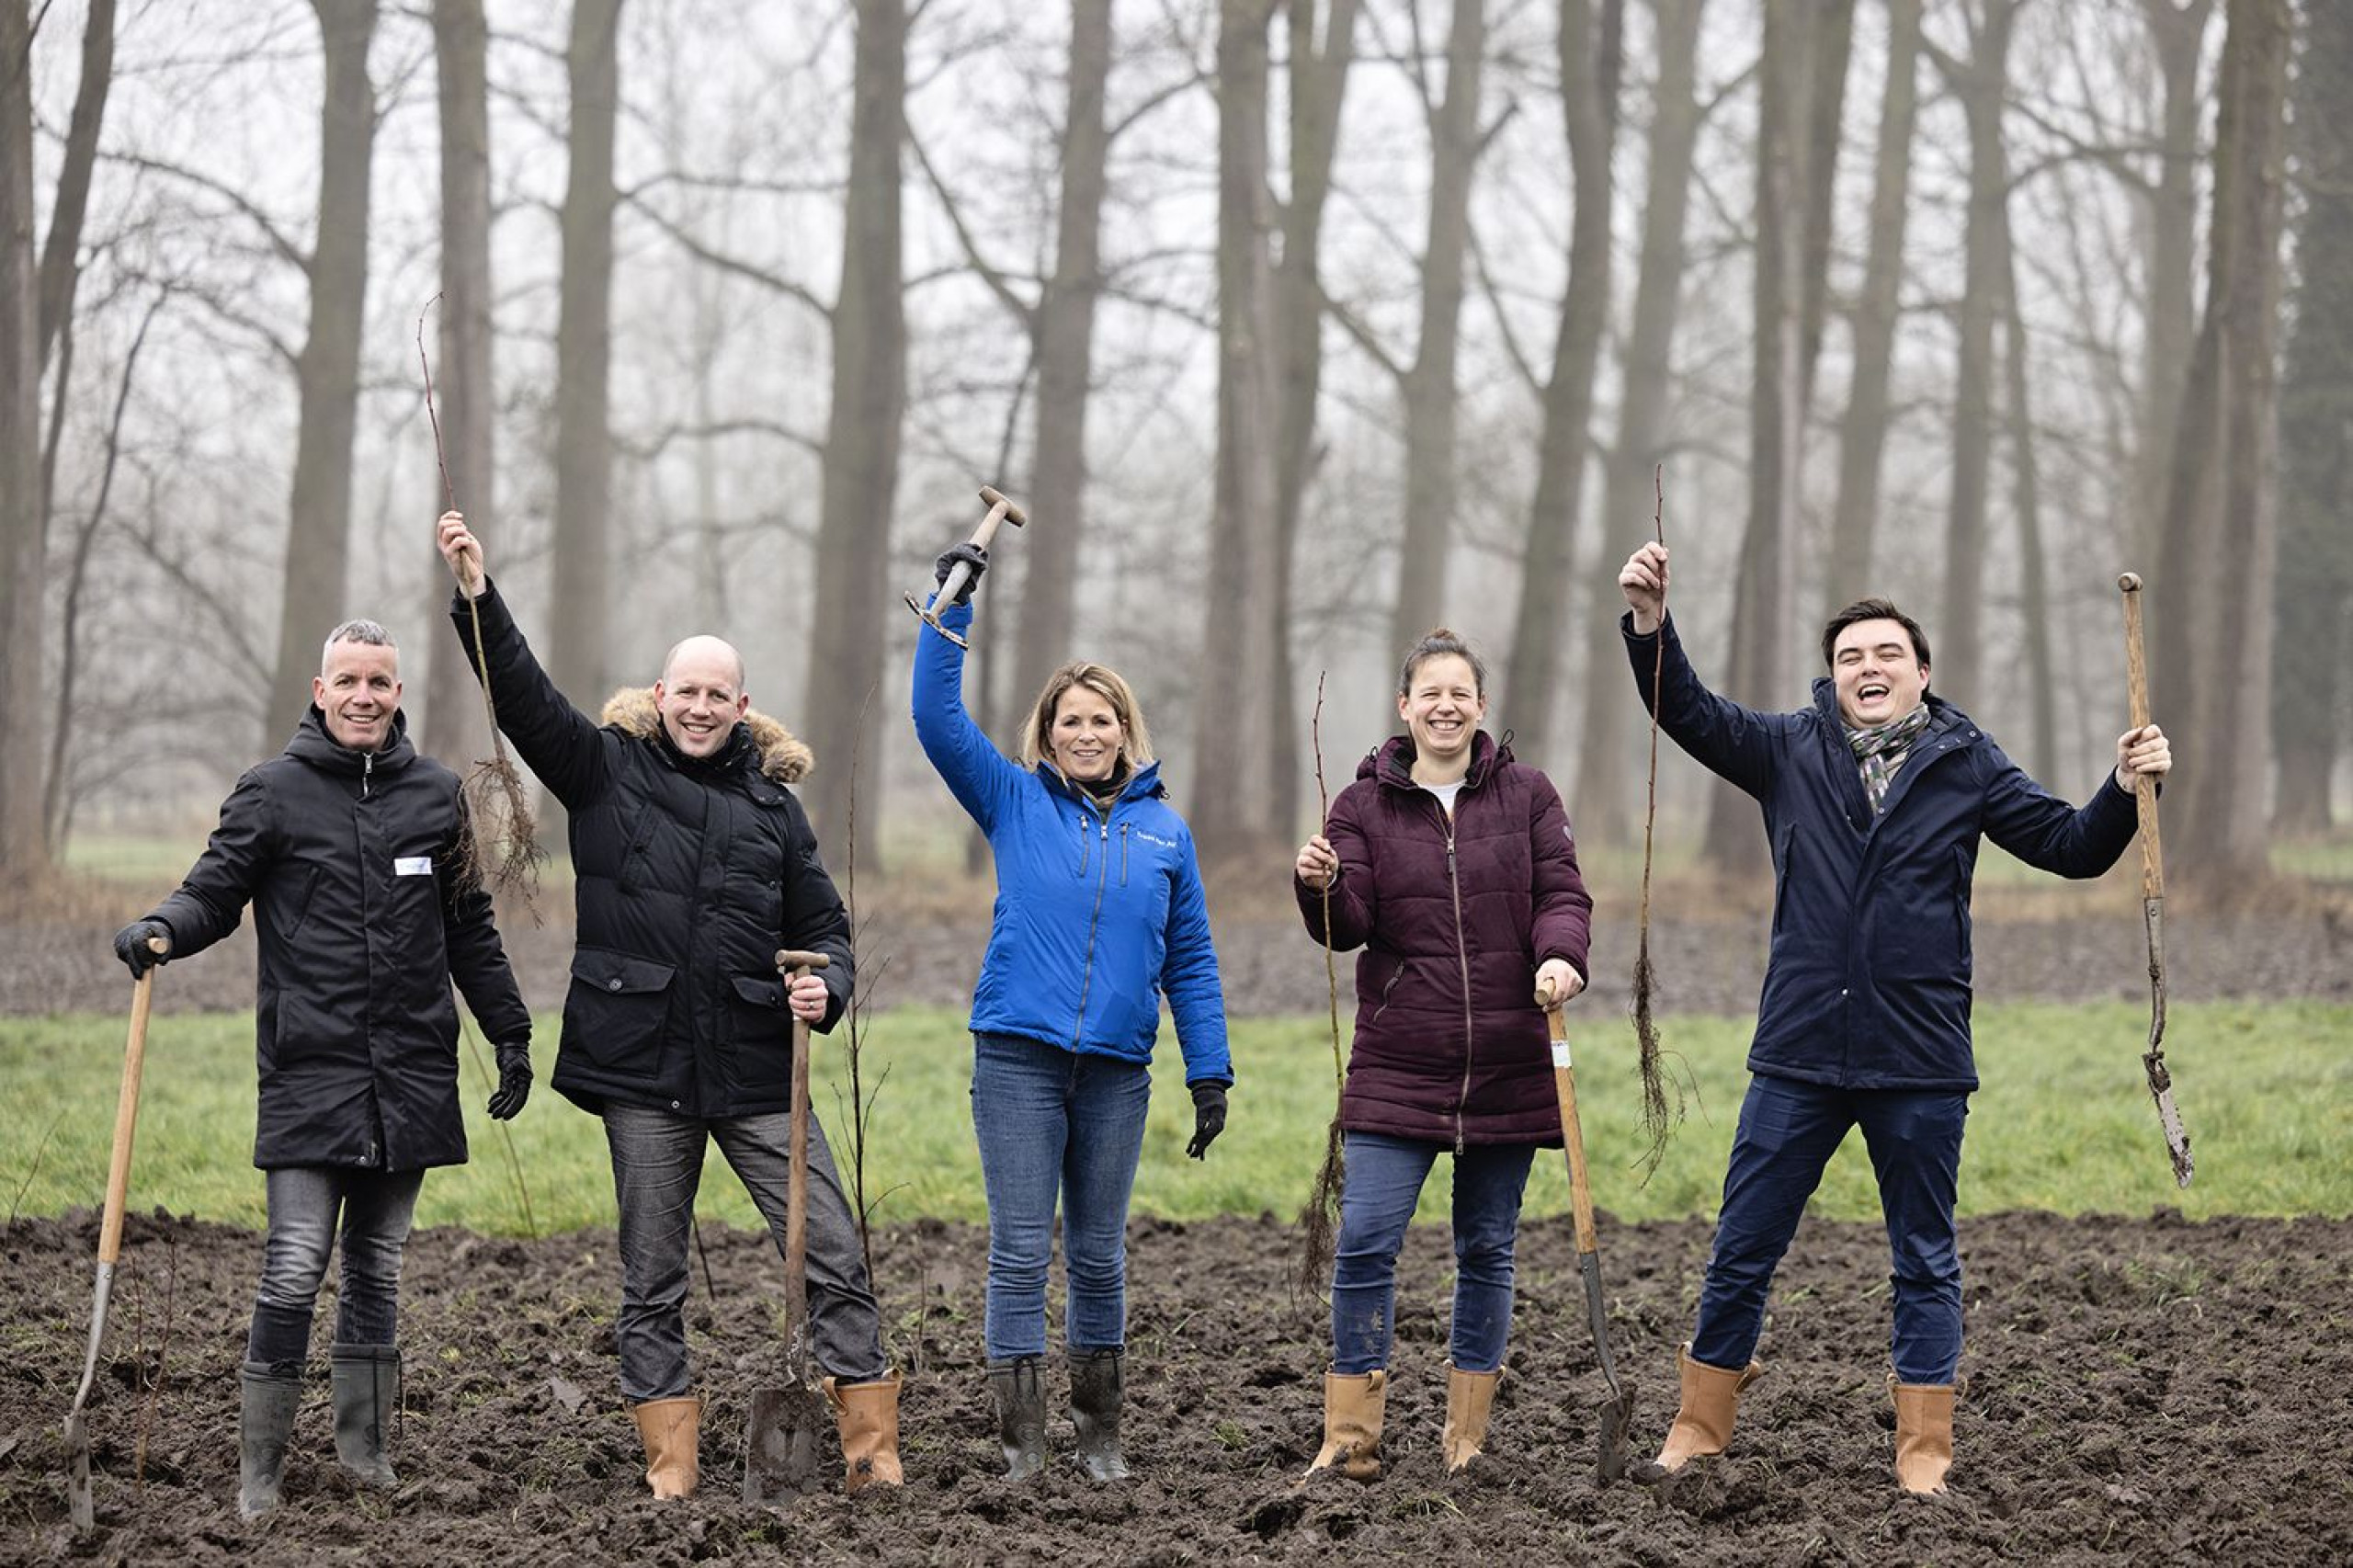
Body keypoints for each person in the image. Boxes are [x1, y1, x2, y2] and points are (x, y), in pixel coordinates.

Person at [1615, 541, 2173, 1494]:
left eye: (1885, 655)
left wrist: (2123, 790)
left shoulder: (1968, 762)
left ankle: (1923, 1451)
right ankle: (1698, 1425)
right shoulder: (1787, 746)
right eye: (1848, 658)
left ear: (1922, 672)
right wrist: (1649, 623)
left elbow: (2070, 847)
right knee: (1742, 1242)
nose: (1866, 669)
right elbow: (1687, 711)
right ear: (1831, 678)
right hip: (1798, 1050)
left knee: (1922, 1255)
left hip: (1918, 1055)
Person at [434, 510, 900, 1499]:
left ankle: (872, 1455)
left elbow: (829, 927)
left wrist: (829, 986)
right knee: (651, 1278)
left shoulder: (776, 810)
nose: (698, 706)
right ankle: (669, 1471)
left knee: (831, 1253)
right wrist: (480, 593)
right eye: (683, 690)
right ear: (659, 695)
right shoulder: (604, 769)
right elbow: (521, 694)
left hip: (756, 1065)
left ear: (743, 705)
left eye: (716, 694)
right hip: (643, 1068)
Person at [110, 619, 532, 1518]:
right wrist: (160, 927)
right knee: (295, 1263)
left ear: (398, 692)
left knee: (376, 1264)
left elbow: (468, 927)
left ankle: (364, 1450)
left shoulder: (435, 794)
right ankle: (259, 1468)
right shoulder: (272, 793)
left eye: (380, 680)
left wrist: (508, 1029)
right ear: (319, 687)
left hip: (412, 1071)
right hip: (310, 1069)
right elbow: (212, 891)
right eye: (349, 680)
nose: (364, 695)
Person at [910, 541, 1233, 1482]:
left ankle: (1099, 1437)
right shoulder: (1012, 799)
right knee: (1018, 1251)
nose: (1086, 733)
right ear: (1046, 735)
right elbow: (934, 715)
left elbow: (1193, 959)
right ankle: (1021, 1445)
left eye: (1101, 719)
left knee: (1096, 1258)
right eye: (1069, 721)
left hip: (1116, 1074)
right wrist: (951, 601)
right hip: (1017, 1057)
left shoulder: (1163, 832)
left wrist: (1207, 1067)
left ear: (1125, 729)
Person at [1291, 628, 1594, 1480]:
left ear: (1480, 707)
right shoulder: (1360, 807)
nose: (1445, 705)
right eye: (1430, 692)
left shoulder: (1528, 795)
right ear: (1404, 707)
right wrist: (1320, 886)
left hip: (1508, 1059)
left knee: (1487, 1250)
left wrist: (1561, 953)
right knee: (1364, 1243)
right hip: (1399, 1062)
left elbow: (1563, 891)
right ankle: (1351, 1441)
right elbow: (1345, 930)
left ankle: (1467, 1442)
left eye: (1460, 692)